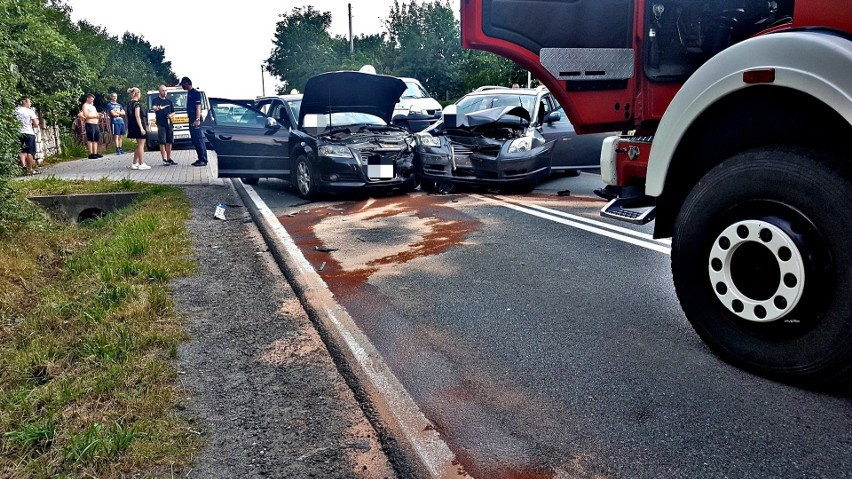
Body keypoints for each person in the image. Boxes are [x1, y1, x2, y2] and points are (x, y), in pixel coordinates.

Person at [181, 76, 208, 167]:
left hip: (195, 119)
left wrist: (197, 119)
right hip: (191, 119)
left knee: (198, 139)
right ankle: (201, 158)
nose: (183, 86)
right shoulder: (189, 93)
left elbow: (198, 107)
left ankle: (203, 159)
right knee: (195, 139)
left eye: (183, 84)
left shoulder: (195, 93)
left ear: (187, 83)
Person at [125, 87, 150, 170]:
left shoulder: (129, 104)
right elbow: (138, 116)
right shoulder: (137, 104)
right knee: (142, 145)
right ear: (137, 93)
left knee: (139, 145)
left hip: (132, 126)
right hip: (138, 126)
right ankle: (141, 163)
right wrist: (141, 128)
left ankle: (134, 163)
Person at [151, 85, 176, 166]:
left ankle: (169, 158)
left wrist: (170, 115)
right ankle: (164, 159)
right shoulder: (156, 100)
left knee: (169, 141)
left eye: (166, 91)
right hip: (161, 124)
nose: (164, 92)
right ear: (159, 91)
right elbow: (154, 107)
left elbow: (173, 112)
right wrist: (157, 108)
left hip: (169, 123)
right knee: (162, 141)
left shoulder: (169, 101)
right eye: (163, 91)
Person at [15, 97, 39, 175]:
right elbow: (35, 124)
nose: (30, 103)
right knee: (30, 152)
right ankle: (30, 169)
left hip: (18, 132)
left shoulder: (15, 111)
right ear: (25, 102)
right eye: (29, 102)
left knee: (21, 150)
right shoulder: (30, 111)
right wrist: (37, 121)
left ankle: (23, 165)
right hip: (28, 133)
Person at [80, 93, 102, 159]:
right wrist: (96, 116)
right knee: (90, 139)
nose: (92, 101)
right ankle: (91, 153)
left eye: (93, 99)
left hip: (95, 124)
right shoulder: (85, 105)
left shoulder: (93, 106)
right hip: (90, 123)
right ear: (88, 99)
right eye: (91, 99)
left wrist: (99, 115)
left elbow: (96, 113)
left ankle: (95, 152)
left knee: (95, 139)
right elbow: (86, 115)